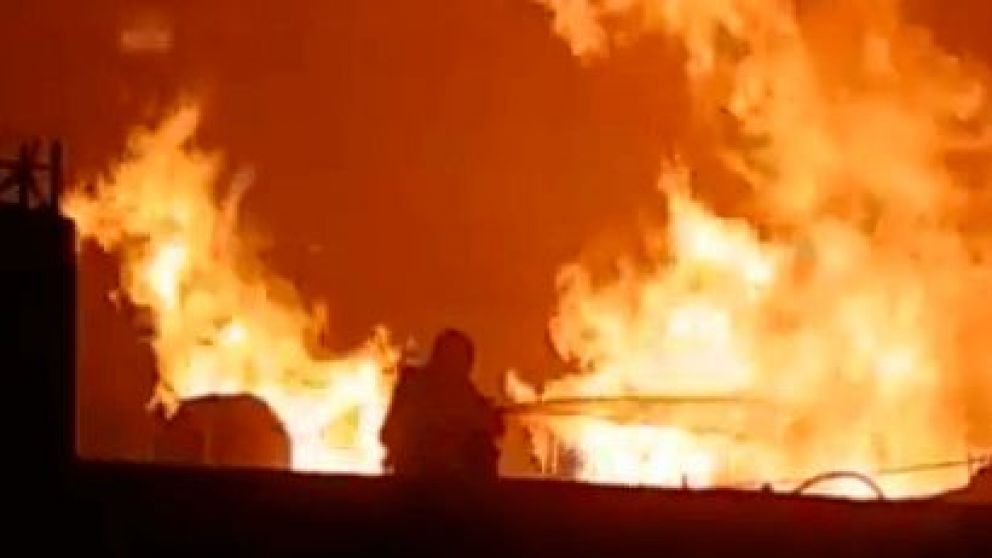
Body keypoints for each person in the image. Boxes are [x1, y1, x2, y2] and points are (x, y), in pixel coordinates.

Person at [381, 329, 502, 480]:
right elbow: (390, 434)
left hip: (460, 487)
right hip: (417, 481)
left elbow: (488, 427)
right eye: (450, 356)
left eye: (458, 358)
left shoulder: (467, 393)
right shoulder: (413, 387)